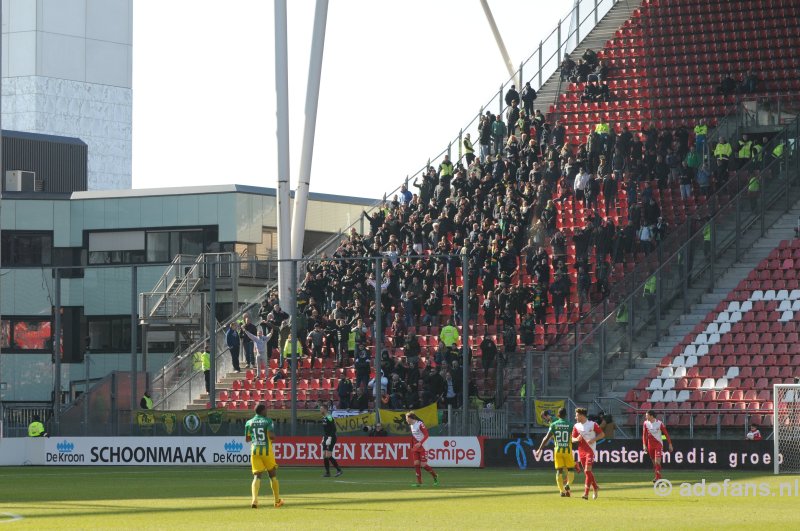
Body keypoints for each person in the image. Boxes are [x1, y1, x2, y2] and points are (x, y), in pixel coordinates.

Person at [244, 403, 283, 509]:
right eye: (266, 409)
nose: (267, 411)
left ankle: (254, 500)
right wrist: (273, 436)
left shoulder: (249, 422)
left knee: (257, 476)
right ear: (262, 411)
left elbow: (247, 439)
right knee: (272, 475)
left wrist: (256, 438)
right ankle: (276, 501)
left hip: (255, 451)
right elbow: (271, 435)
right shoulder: (268, 421)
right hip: (266, 451)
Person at [535, 407, 575, 497]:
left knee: (559, 471)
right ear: (566, 415)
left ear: (558, 415)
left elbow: (546, 438)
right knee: (570, 470)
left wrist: (539, 449)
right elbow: (575, 437)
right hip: (567, 451)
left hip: (557, 451)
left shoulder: (553, 425)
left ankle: (561, 491)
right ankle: (568, 485)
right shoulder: (570, 425)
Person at [572, 407, 604, 500]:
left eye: (577, 415)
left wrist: (593, 440)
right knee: (588, 472)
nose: (575, 417)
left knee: (586, 471)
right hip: (581, 451)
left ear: (582, 415)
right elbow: (572, 439)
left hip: (590, 450)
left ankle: (586, 494)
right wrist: (576, 439)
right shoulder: (576, 426)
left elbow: (602, 434)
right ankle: (595, 487)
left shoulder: (592, 424)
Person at [406, 412, 439, 487]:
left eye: (407, 419)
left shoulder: (420, 424)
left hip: (423, 447)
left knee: (423, 465)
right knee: (416, 464)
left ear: (411, 418)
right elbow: (413, 437)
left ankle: (435, 475)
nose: (406, 420)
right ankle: (419, 482)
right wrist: (412, 446)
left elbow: (427, 435)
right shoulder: (411, 426)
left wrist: (420, 443)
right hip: (416, 447)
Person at [643, 409, 673, 483]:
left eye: (646, 415)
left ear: (651, 416)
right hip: (650, 445)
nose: (645, 416)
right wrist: (644, 445)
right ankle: (659, 477)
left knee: (657, 462)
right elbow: (644, 435)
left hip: (658, 445)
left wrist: (670, 444)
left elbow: (666, 434)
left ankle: (657, 478)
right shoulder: (645, 423)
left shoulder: (659, 423)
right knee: (654, 464)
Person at [320, 404, 343, 477]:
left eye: (321, 409)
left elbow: (333, 428)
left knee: (328, 455)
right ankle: (327, 473)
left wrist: (330, 437)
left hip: (331, 437)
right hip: (326, 437)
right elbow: (326, 429)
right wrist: (324, 437)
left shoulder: (329, 417)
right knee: (324, 455)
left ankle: (339, 470)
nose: (320, 410)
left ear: (325, 409)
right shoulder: (323, 417)